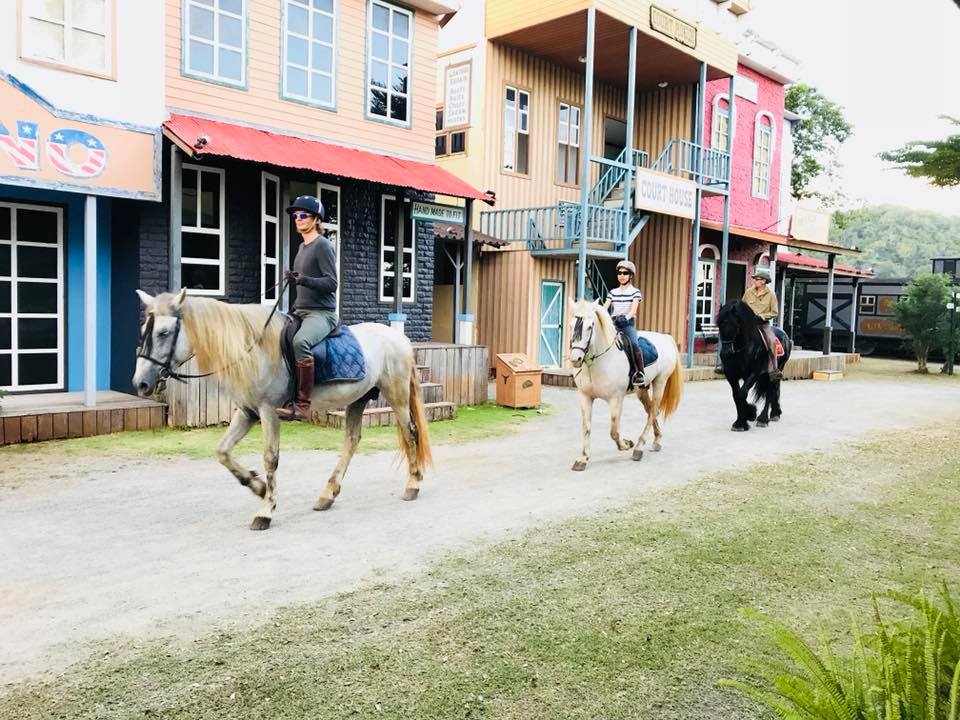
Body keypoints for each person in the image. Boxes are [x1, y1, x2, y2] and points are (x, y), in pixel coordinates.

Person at [276, 195, 339, 420]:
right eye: (295, 216)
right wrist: (294, 279)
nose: (298, 219)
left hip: (322, 313)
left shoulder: (323, 246)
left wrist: (303, 280)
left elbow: (332, 283)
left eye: (303, 215)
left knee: (300, 341)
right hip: (301, 310)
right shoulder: (302, 247)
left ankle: (302, 404)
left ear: (315, 220)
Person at [602, 259, 645, 386]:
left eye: (625, 273)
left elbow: (633, 310)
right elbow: (605, 307)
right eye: (619, 273)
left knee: (634, 343)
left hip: (627, 323)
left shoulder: (635, 292)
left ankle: (639, 372)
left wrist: (625, 318)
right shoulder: (612, 292)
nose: (621, 275)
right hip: (614, 323)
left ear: (630, 276)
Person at [742, 266, 782, 381]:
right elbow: (742, 306)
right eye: (754, 279)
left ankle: (773, 370)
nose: (754, 281)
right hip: (748, 324)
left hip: (762, 324)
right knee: (730, 334)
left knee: (771, 342)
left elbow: (774, 312)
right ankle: (724, 364)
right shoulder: (748, 292)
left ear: (763, 281)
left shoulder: (771, 295)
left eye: (757, 279)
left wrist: (762, 316)